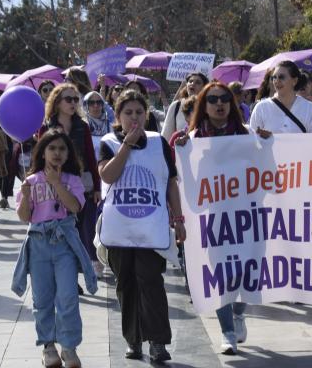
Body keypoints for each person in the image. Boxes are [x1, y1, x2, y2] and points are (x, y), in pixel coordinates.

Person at [99, 90, 185, 362]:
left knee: (150, 281)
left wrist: (179, 219)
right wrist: (127, 145)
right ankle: (133, 339)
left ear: (146, 114)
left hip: (151, 227)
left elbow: (171, 181)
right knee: (125, 284)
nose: (134, 118)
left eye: (139, 112)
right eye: (128, 113)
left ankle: (158, 341)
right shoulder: (109, 142)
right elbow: (107, 175)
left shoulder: (159, 143)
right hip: (119, 228)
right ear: (118, 116)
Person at [173, 83, 250, 355]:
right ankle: (227, 332)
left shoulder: (248, 135)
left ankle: (239, 313)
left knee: (246, 273)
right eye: (213, 99)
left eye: (225, 99)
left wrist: (268, 143)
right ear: (203, 105)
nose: (220, 104)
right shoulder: (189, 140)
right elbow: (180, 181)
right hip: (212, 220)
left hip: (246, 219)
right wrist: (180, 150)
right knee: (220, 276)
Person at [12, 129, 98, 368]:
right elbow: (24, 217)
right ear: (43, 152)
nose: (57, 153)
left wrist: (57, 184)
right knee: (42, 298)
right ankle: (48, 346)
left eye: (62, 148)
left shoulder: (73, 179)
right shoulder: (30, 181)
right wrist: (26, 197)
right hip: (38, 244)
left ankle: (69, 347)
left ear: (69, 153)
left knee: (68, 296)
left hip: (64, 244)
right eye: (52, 148)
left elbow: (75, 207)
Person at [40, 83, 102, 278]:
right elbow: (40, 157)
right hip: (54, 185)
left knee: (78, 231)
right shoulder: (47, 127)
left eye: (76, 99)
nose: (73, 103)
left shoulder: (82, 127)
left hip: (80, 185)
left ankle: (74, 270)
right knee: (60, 232)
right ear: (57, 102)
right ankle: (66, 276)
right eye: (69, 99)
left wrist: (98, 186)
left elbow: (91, 158)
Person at [249, 61, 312, 136]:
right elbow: (252, 140)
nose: (276, 81)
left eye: (281, 77)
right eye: (274, 77)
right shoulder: (261, 107)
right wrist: (262, 138)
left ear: (294, 81)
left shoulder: (310, 108)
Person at [161, 72, 207, 141]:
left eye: (198, 82)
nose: (192, 84)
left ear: (204, 87)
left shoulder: (209, 105)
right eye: (190, 81)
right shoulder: (176, 105)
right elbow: (165, 136)